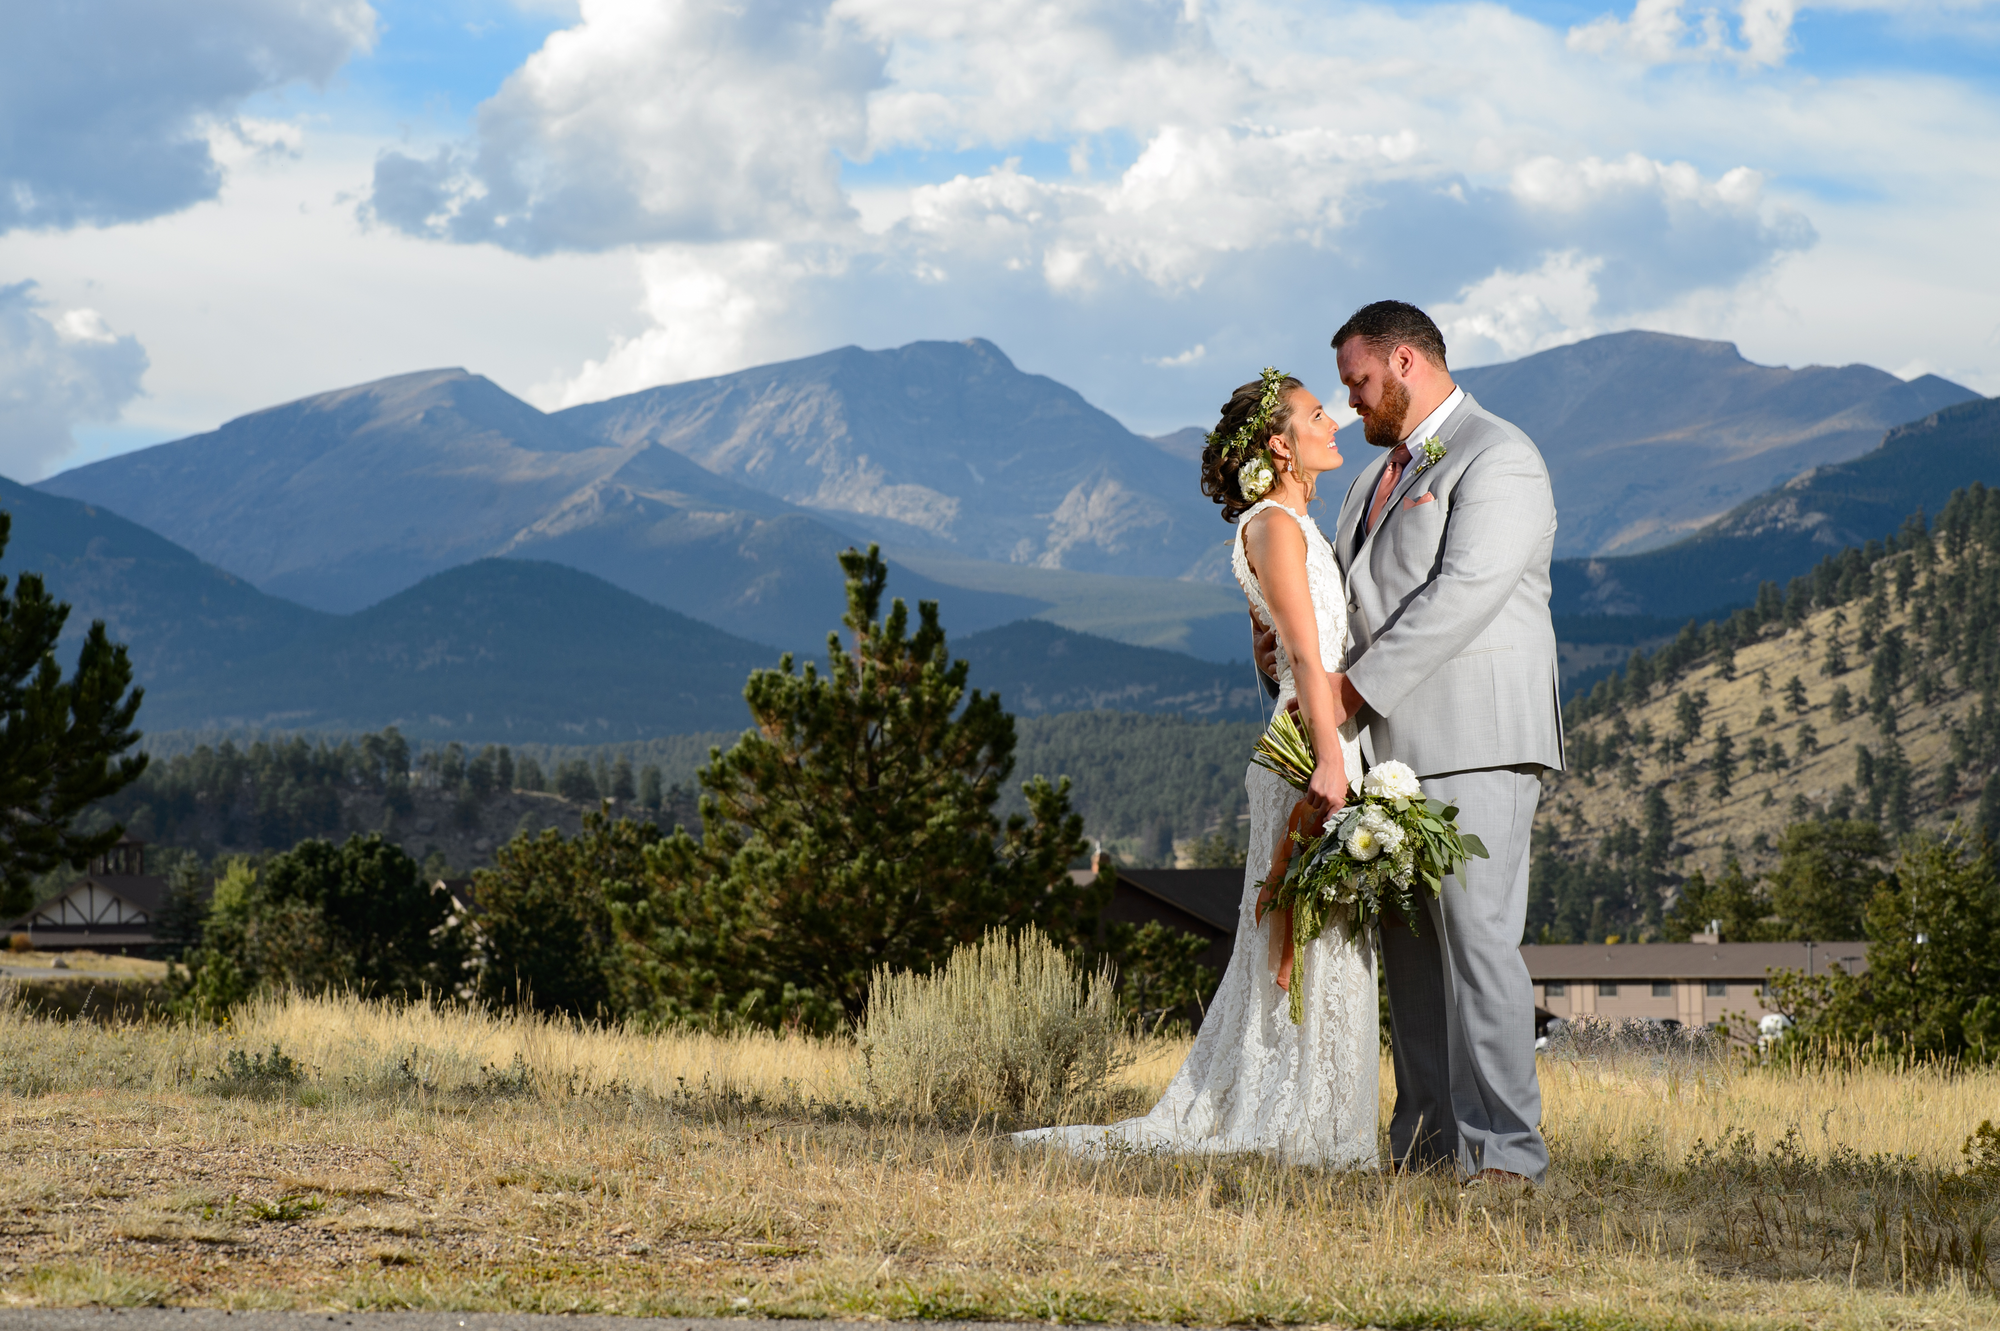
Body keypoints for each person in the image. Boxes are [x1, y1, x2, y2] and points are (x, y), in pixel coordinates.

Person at [1012, 369, 1378, 1168]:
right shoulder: (1274, 527)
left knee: (1326, 936)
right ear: (1282, 444)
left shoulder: (1291, 524)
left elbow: (1279, 643)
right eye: (1320, 415)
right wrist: (1327, 758)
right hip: (1308, 747)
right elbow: (1306, 653)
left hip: (1321, 735)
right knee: (1300, 932)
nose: (1337, 424)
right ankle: (1296, 1127)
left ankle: (1323, 1124)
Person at [1257, 299, 1562, 1184]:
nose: (1351, 403)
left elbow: (1462, 593)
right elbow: (1341, 612)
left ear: (1403, 363)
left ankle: (1505, 1152)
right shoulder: (1366, 483)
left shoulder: (1499, 456)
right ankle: (1427, 1145)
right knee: (1413, 959)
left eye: (1356, 382)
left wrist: (1347, 691)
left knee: (1478, 945)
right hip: (1381, 758)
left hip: (1479, 739)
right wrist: (1294, 665)